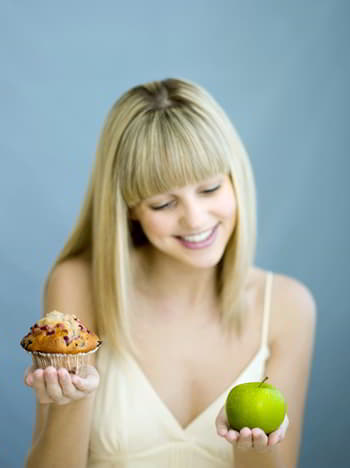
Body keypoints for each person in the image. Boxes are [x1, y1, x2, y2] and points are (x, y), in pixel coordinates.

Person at [24, 78, 316, 468]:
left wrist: (250, 447)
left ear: (236, 181)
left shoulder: (286, 307)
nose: (195, 219)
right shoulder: (78, 284)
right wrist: (72, 401)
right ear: (129, 208)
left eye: (210, 188)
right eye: (163, 203)